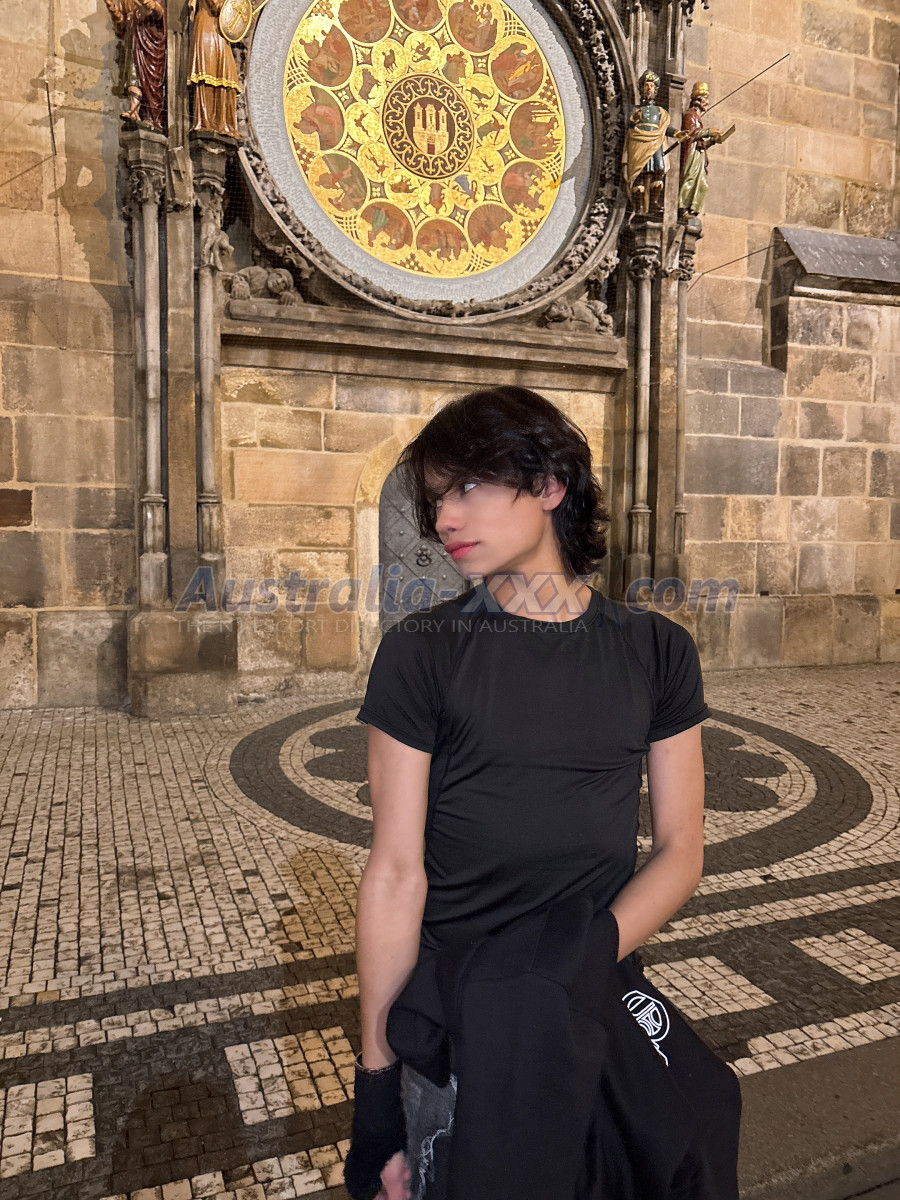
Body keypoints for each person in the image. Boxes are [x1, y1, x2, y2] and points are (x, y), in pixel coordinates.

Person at [347, 386, 734, 1200]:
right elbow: (394, 873)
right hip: (456, 1026)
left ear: (551, 484)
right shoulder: (420, 652)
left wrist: (577, 962)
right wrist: (378, 1089)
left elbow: (680, 848)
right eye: (435, 498)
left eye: (468, 487)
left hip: (593, 1003)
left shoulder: (657, 650)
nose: (445, 518)